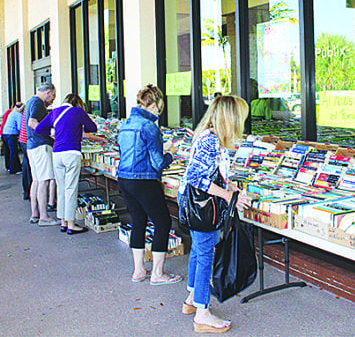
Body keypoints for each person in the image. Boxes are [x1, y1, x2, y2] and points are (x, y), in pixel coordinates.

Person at [177, 95, 251, 333]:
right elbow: (196, 178)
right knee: (205, 254)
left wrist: (229, 187)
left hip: (197, 203)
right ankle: (202, 314)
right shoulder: (211, 141)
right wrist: (228, 196)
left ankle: (192, 300)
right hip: (202, 206)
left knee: (199, 252)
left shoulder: (210, 137)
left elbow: (209, 174)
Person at [116, 84, 182, 285]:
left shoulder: (126, 123)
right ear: (153, 105)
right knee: (162, 222)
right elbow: (158, 163)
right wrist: (171, 152)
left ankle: (138, 271)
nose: (158, 112)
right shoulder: (149, 126)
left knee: (138, 221)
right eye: (158, 108)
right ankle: (158, 273)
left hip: (124, 178)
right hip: (144, 180)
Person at [35, 94, 105, 234]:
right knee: (71, 188)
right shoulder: (78, 111)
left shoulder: (54, 112)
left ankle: (63, 222)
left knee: (61, 189)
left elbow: (38, 129)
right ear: (78, 103)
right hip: (72, 153)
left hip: (57, 153)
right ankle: (71, 224)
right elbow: (93, 128)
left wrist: (54, 133)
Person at [25, 82, 59, 226]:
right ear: (48, 92)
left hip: (32, 145)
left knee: (37, 180)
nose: (53, 100)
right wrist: (50, 133)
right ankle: (44, 217)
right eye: (53, 96)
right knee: (44, 180)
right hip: (41, 145)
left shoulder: (30, 102)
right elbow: (31, 122)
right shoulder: (38, 103)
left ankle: (35, 213)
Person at [1, 102, 23, 175]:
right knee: (14, 151)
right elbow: (20, 127)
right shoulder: (18, 115)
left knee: (8, 151)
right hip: (12, 134)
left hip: (5, 133)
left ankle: (9, 166)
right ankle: (14, 169)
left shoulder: (12, 113)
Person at [19, 105, 32, 200]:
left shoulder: (29, 106)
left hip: (23, 140)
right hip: (28, 141)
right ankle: (31, 192)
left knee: (26, 167)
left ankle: (27, 192)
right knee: (31, 169)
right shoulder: (37, 106)